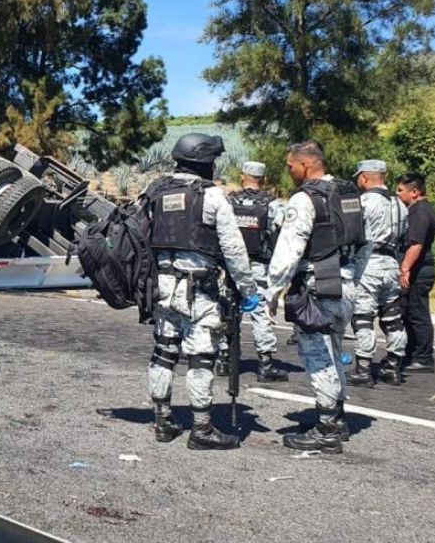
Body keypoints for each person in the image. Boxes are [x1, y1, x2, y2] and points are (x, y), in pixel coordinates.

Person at [144, 133, 257, 450]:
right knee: (200, 359)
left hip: (162, 288)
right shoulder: (211, 196)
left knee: (163, 354)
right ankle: (202, 429)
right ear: (205, 162)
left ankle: (163, 421)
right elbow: (234, 250)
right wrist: (248, 290)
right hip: (199, 291)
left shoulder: (155, 192)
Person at [263, 142, 352, 453]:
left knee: (319, 357)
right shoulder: (349, 192)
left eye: (291, 166)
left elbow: (290, 248)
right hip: (347, 284)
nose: (289, 171)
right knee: (336, 351)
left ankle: (326, 430)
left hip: (318, 288)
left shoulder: (304, 199)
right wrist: (355, 277)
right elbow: (364, 243)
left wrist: (272, 291)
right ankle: (337, 420)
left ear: (306, 165)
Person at [221, 161, 288, 382]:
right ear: (265, 179)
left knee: (229, 310)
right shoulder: (274, 205)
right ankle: (265, 363)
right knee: (261, 313)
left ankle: (224, 359)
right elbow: (281, 234)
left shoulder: (228, 202)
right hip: (260, 266)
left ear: (242, 177)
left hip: (232, 265)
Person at [347, 160, 408, 387]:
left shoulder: (362, 202)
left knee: (363, 318)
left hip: (368, 264)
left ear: (364, 177)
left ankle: (363, 370)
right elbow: (403, 235)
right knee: (393, 319)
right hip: (391, 264)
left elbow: (353, 234)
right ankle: (393, 367)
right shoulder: (400, 204)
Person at [396, 172, 435, 373]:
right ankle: (412, 353)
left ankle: (424, 358)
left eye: (400, 190)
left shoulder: (420, 212)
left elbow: (416, 244)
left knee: (417, 313)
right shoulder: (417, 209)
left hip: (418, 271)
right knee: (409, 313)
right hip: (417, 269)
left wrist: (405, 268)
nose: (398, 195)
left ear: (414, 192)